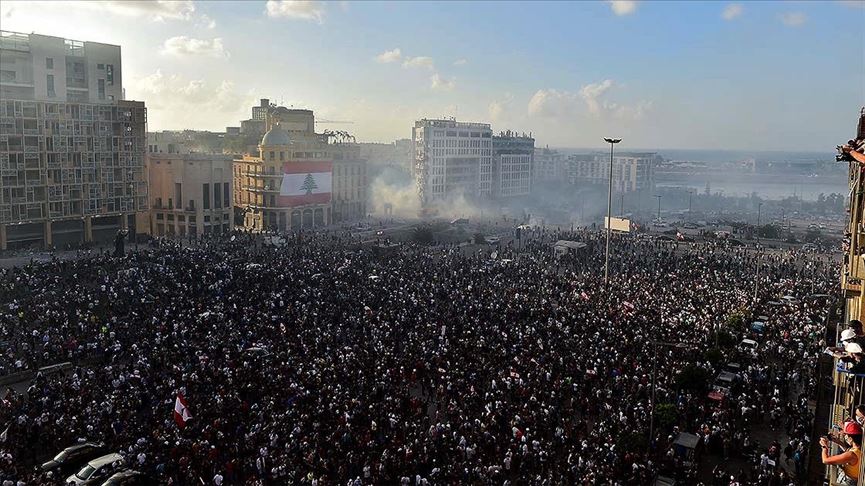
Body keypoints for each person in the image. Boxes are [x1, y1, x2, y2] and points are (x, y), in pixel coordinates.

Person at [820, 421, 863, 485]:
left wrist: (824, 446)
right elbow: (848, 452)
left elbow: (825, 460)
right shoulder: (859, 448)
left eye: (845, 435)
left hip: (847, 482)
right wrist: (838, 441)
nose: (844, 436)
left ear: (850, 438)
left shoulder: (851, 455)